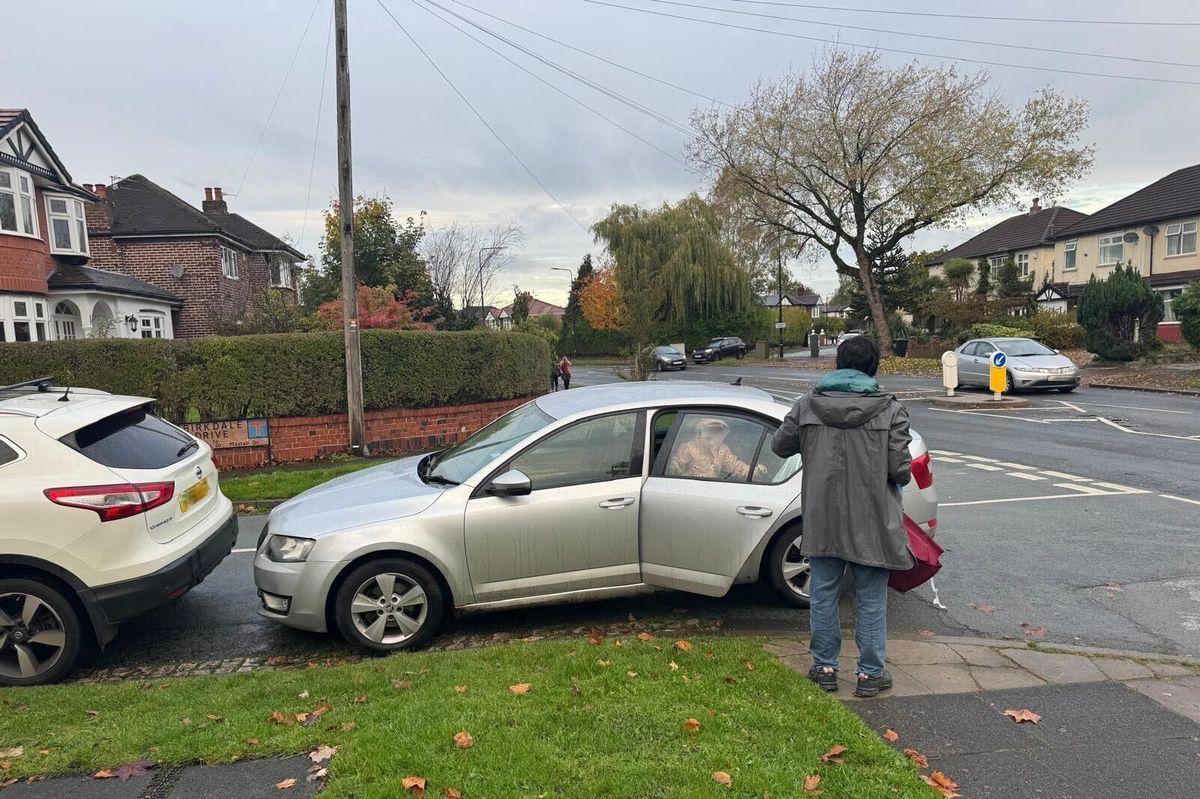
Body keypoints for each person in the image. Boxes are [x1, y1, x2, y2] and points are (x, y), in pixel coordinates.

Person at [770, 336, 912, 698]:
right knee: (871, 599)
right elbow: (900, 470)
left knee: (823, 593)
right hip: (873, 519)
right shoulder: (890, 410)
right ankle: (870, 674)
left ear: (838, 364)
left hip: (823, 515)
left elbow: (779, 445)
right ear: (873, 367)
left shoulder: (807, 405)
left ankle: (825, 668)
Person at [668, 417, 765, 481]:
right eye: (709, 431)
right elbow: (674, 471)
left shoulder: (722, 450)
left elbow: (736, 466)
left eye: (718, 432)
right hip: (689, 490)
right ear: (700, 432)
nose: (713, 435)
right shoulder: (688, 447)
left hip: (713, 490)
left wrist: (754, 472)